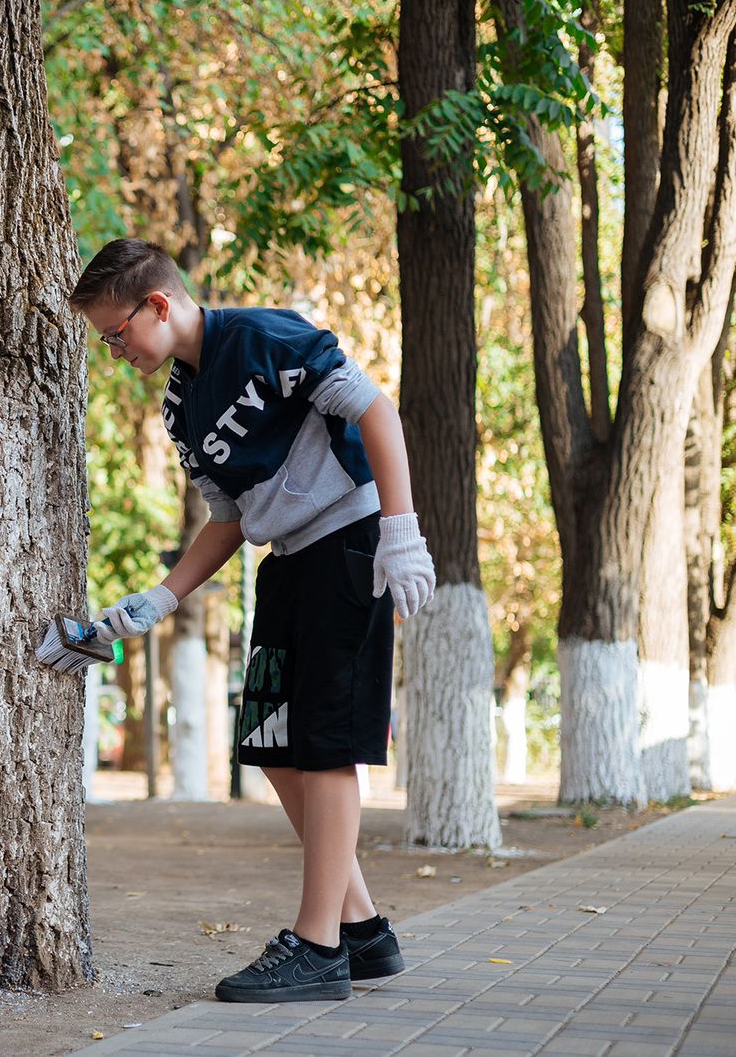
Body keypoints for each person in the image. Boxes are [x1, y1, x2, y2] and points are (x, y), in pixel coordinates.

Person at [69, 240, 435, 1003]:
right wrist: (164, 595)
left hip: (350, 544)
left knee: (326, 744)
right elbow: (228, 517)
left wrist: (400, 530)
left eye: (115, 333)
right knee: (271, 743)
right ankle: (362, 929)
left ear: (158, 305)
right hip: (286, 562)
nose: (114, 350)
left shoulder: (266, 338)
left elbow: (374, 408)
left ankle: (318, 945)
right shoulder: (179, 405)